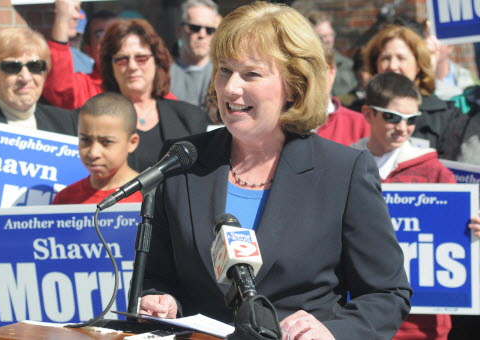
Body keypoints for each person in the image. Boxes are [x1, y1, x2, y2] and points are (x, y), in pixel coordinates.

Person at [138, 2, 411, 339]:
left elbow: (387, 294)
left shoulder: (344, 171)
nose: (231, 87)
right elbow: (156, 276)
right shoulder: (183, 160)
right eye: (224, 70)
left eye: (251, 73)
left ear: (293, 86)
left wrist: (332, 331)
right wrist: (160, 300)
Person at [353, 71, 480, 339]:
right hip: (358, 318)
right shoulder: (343, 163)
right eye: (392, 117)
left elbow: (459, 236)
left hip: (423, 326)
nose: (403, 127)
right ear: (367, 113)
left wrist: (476, 229)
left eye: (412, 120)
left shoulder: (434, 172)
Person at [0, 26, 77, 337]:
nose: (25, 76)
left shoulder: (67, 125)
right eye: (12, 66)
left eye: (35, 65)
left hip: (53, 286)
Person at [99, 19, 208, 172]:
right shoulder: (97, 119)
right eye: (122, 59)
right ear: (111, 67)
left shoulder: (190, 117)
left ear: (156, 61)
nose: (132, 66)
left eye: (141, 58)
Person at [363, 24, 461, 154]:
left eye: (401, 58)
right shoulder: (356, 111)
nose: (392, 66)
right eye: (386, 58)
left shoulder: (444, 116)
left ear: (418, 65)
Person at [52, 92, 142, 204]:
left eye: (106, 142)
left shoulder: (151, 195)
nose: (93, 153)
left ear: (132, 143)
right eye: (85, 140)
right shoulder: (65, 199)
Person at [42, 0, 117, 109]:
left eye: (115, 33)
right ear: (88, 50)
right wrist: (62, 20)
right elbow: (59, 88)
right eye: (100, 34)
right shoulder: (85, 88)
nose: (109, 40)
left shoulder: (141, 79)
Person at [315, 46, 370, 146]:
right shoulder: (280, 124)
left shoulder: (361, 125)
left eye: (319, 69)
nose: (311, 77)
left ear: (332, 71)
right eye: (302, 69)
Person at [170, 0, 219, 107]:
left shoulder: (223, 73)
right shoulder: (164, 74)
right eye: (195, 28)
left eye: (209, 30)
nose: (202, 34)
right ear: (179, 31)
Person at [305, 10, 357, 97]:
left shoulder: (345, 64)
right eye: (323, 36)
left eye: (331, 35)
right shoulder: (301, 64)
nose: (329, 40)